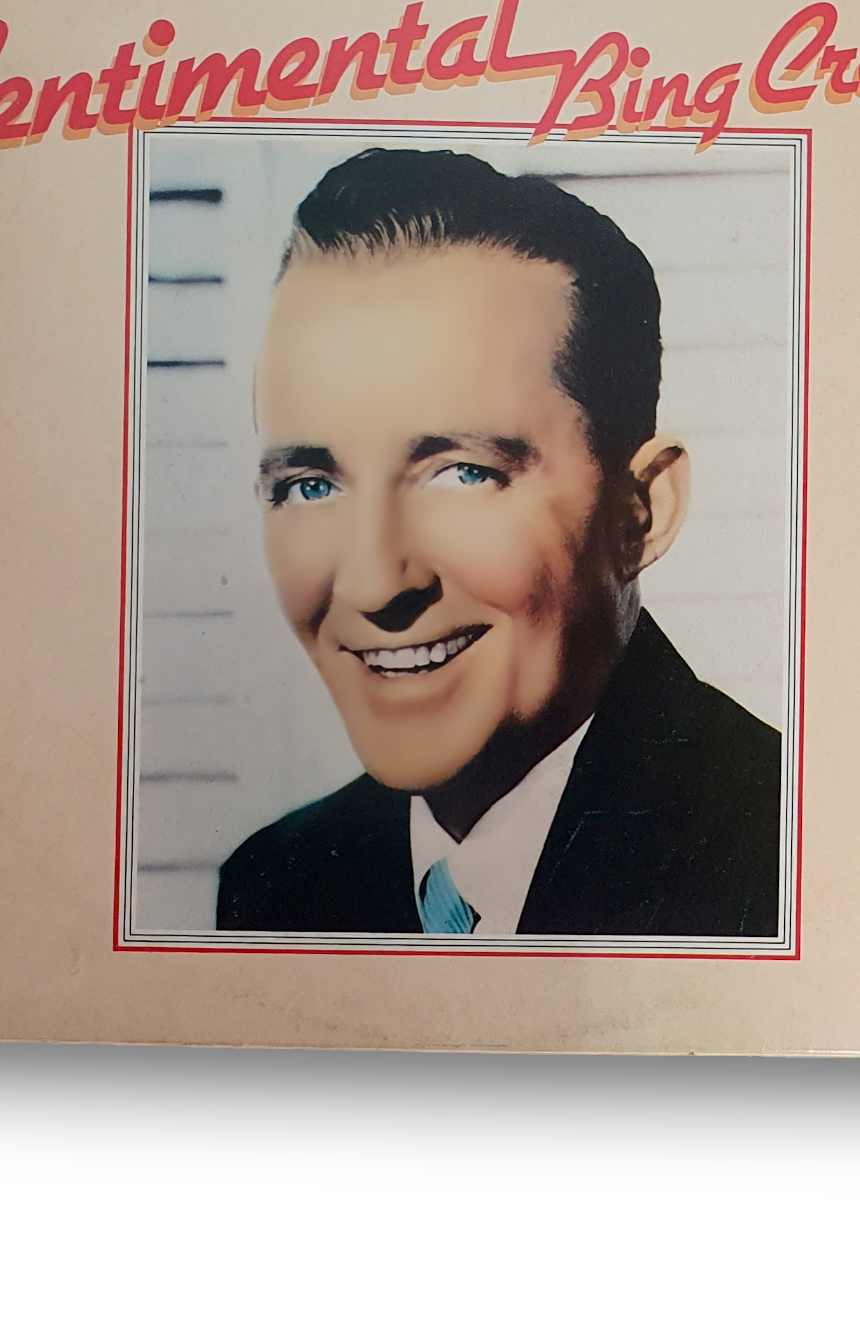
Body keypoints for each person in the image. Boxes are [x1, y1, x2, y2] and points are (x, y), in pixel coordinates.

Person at [216, 147, 782, 938]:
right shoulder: (275, 886)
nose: (374, 583)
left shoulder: (784, 853)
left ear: (639, 515)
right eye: (312, 486)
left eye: (463, 474)